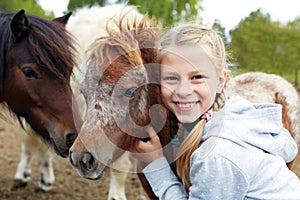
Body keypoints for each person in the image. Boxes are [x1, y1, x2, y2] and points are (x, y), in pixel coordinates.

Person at [129, 23, 300, 199]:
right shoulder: (234, 111)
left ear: (220, 81)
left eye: (197, 77)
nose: (183, 90)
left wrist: (156, 164)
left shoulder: (215, 156)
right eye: (171, 78)